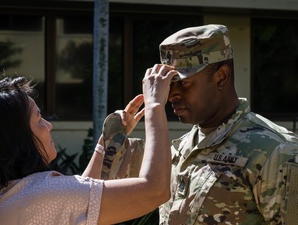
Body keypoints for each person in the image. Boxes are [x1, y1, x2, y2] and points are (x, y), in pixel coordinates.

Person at [103, 24, 298, 224]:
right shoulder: (180, 149)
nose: (171, 95)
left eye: (184, 83)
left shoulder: (276, 150)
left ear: (221, 76)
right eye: (169, 84)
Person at [0, 64, 175, 225]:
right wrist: (155, 104)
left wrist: (106, 144)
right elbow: (154, 190)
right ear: (16, 137)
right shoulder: (43, 194)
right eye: (38, 119)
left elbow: (77, 195)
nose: (48, 126)